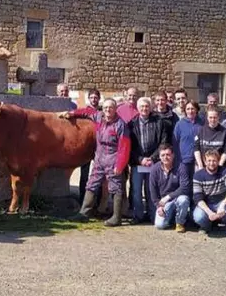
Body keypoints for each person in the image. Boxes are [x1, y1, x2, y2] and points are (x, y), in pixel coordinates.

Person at [63, 98, 131, 226]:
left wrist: (120, 165)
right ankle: (84, 213)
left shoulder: (121, 125)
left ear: (115, 109)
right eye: (105, 108)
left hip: (113, 159)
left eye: (110, 107)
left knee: (116, 188)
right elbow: (86, 112)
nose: (108, 110)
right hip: (99, 158)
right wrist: (72, 113)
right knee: (91, 184)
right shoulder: (99, 117)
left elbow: (125, 147)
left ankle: (117, 217)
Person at [128, 97, 167, 223]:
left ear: (150, 108)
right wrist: (140, 159)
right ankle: (138, 215)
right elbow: (129, 146)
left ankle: (152, 215)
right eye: (142, 106)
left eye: (147, 106)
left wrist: (152, 158)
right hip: (138, 163)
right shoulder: (131, 124)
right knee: (136, 192)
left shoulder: (159, 122)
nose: (144, 109)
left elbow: (163, 142)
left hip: (153, 163)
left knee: (152, 191)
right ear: (138, 108)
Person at [192, 149, 226, 240]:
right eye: (209, 160)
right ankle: (208, 226)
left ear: (218, 161)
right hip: (207, 204)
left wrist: (223, 204)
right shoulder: (198, 175)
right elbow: (197, 197)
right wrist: (209, 212)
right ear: (205, 161)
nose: (211, 163)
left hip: (221, 203)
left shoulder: (225, 171)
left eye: (214, 160)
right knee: (198, 217)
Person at [149, 145, 191, 232]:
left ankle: (180, 223)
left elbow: (185, 187)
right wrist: (158, 206)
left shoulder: (181, 167)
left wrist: (168, 197)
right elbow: (153, 190)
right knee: (160, 225)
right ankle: (173, 219)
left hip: (177, 198)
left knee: (183, 200)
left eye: (168, 154)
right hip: (164, 203)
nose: (165, 157)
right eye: (163, 155)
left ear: (173, 155)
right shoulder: (154, 169)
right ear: (159, 156)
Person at [78, 88, 102, 204]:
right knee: (84, 174)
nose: (94, 100)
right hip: (87, 146)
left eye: (96, 98)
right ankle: (82, 199)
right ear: (88, 99)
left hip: (100, 146)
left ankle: (97, 201)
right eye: (91, 97)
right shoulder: (84, 112)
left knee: (99, 174)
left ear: (99, 99)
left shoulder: (103, 112)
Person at [172, 100, 203, 177]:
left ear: (196, 109)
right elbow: (175, 142)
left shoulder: (202, 123)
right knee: (185, 184)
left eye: (192, 108)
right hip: (184, 160)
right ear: (185, 110)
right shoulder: (180, 124)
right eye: (188, 109)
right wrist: (177, 158)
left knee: (197, 184)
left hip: (199, 160)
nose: (190, 111)